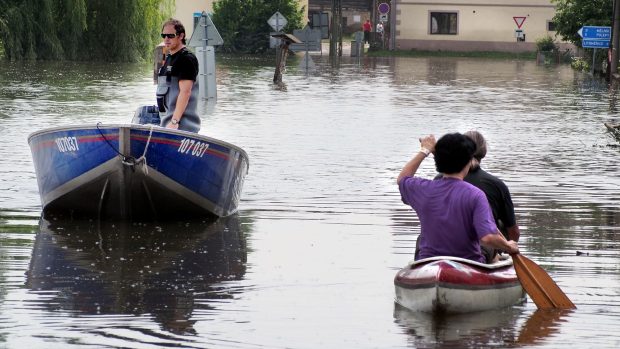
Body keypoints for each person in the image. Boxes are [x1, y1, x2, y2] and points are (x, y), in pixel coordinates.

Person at [397, 133, 519, 263]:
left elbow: (402, 178)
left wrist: (424, 150)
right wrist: (508, 246)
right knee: (493, 242)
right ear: (468, 162)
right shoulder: (476, 195)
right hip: (469, 262)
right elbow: (487, 238)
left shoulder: (423, 188)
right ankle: (496, 262)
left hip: (428, 261)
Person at [463, 130, 520, 242]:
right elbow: (513, 232)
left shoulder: (440, 179)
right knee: (501, 224)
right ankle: (497, 255)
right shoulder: (497, 185)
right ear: (484, 152)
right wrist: (511, 247)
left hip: (439, 249)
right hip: (482, 249)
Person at [156, 19, 200, 133]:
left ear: (181, 36)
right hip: (166, 123)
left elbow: (185, 92)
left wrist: (174, 122)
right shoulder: (169, 58)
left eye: (170, 35)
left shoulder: (187, 59)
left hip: (181, 127)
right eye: (164, 35)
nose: (166, 39)